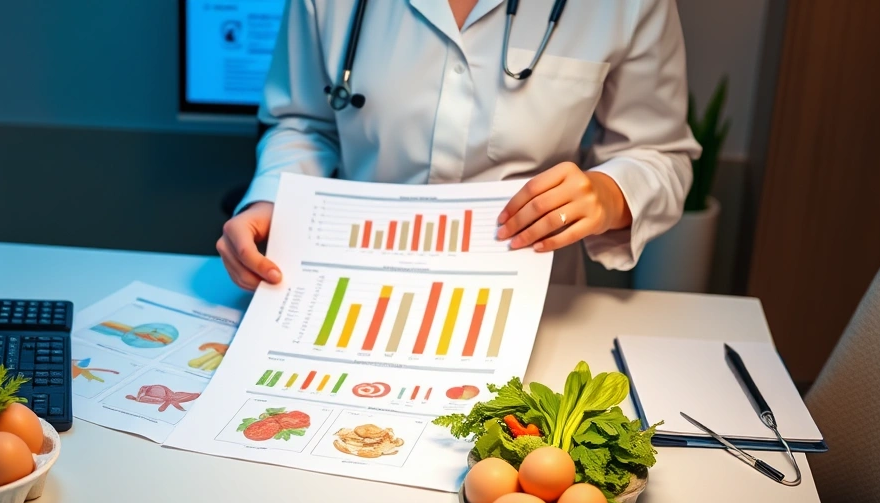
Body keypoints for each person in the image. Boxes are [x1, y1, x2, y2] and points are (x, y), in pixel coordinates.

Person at [217, 0, 701, 290]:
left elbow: (660, 154)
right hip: (355, 288)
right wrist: (272, 199)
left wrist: (609, 194)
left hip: (532, 301)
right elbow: (304, 121)